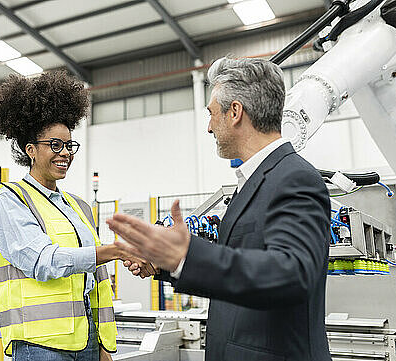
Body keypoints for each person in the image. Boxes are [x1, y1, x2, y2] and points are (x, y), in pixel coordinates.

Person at [108, 57, 332, 361]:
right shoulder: (254, 181)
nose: (209, 126)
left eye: (212, 114)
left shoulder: (294, 178)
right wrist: (165, 263)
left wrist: (185, 256)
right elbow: (243, 261)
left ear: (236, 112)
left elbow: (292, 274)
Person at [0, 71, 154, 361]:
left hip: (86, 339)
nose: (65, 153)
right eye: (55, 145)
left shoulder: (79, 206)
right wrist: (114, 250)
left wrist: (102, 344)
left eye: (70, 145)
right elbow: (43, 261)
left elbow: (95, 277)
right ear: (31, 151)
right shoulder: (9, 201)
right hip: (41, 346)